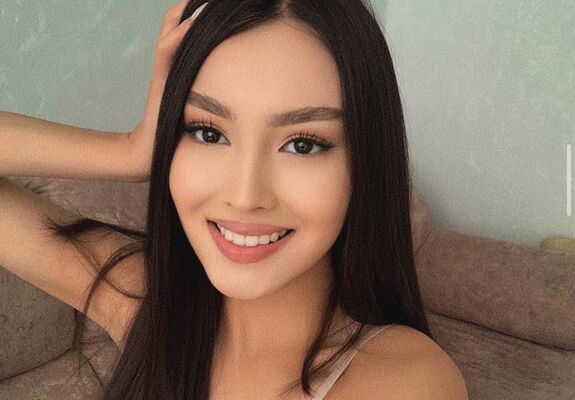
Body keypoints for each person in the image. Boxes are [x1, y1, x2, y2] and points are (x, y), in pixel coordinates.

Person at [0, 0, 468, 398]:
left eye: (302, 144)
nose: (245, 197)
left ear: (367, 162)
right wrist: (132, 149)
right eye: (208, 132)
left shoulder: (405, 382)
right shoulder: (144, 298)